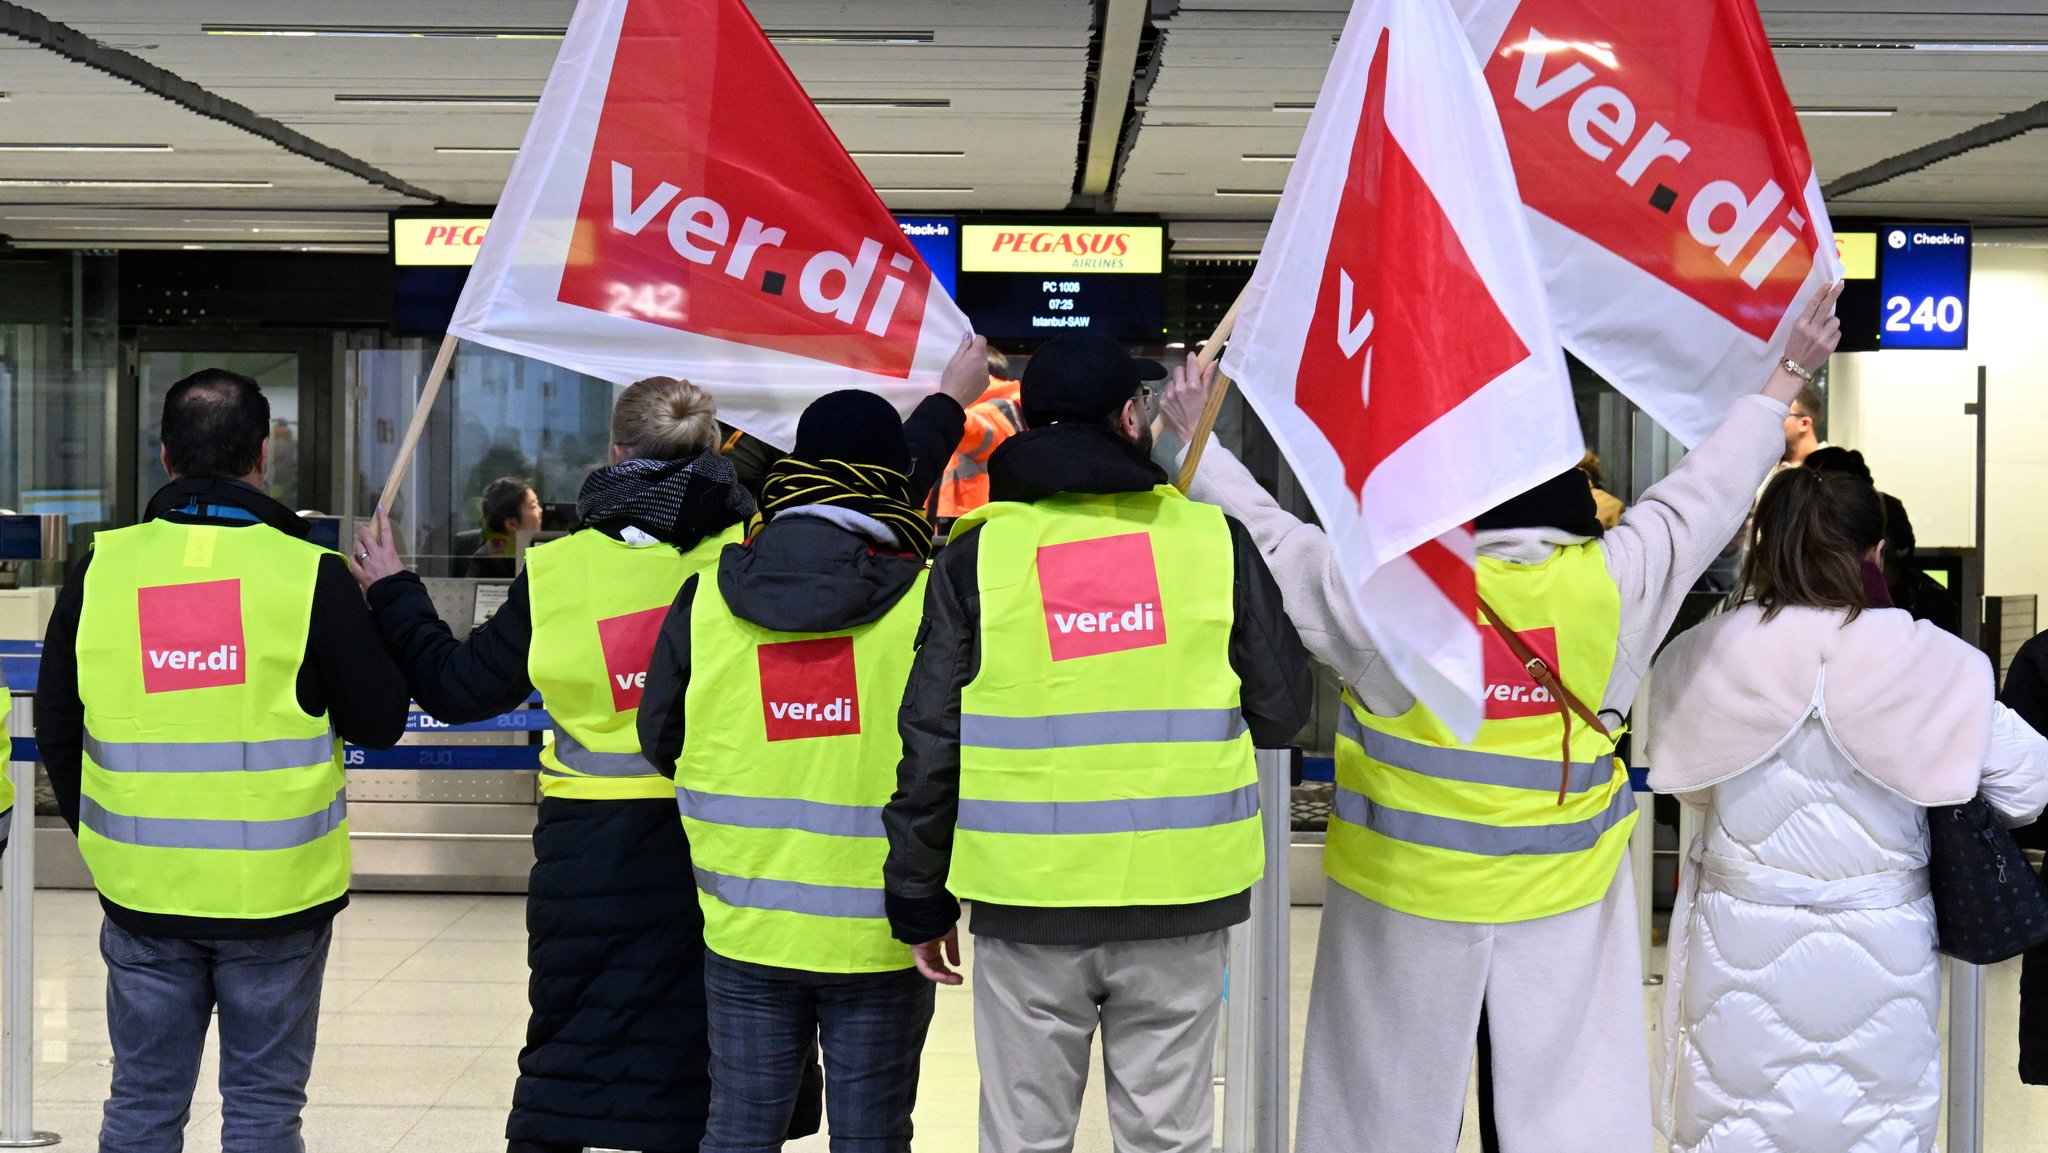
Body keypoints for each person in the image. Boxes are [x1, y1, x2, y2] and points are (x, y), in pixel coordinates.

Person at [1156, 283, 1844, 1153]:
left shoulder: (1395, 601)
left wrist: (1197, 443)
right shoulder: (1612, 586)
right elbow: (1700, 500)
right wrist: (1784, 377)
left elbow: (1274, 540)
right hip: (1561, 910)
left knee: (1392, 1115)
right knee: (1558, 1116)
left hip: (1405, 911)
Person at [352, 346, 984, 1153]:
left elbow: (457, 685)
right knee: (718, 1069)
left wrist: (396, 590)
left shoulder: (562, 571)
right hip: (722, 849)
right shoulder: (746, 556)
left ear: (614, 455)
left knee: (578, 1038)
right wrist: (944, 402)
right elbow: (863, 493)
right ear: (717, 453)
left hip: (592, 857)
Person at [884, 331, 1313, 1153]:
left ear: (1022, 424)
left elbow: (932, 736)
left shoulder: (978, 556)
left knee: (1024, 1135)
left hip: (1027, 898)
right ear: (1129, 417)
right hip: (1182, 895)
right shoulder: (1210, 541)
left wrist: (918, 893)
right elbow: (1284, 709)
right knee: (1168, 1133)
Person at [34, 368, 409, 1153]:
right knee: (265, 1110)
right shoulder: (310, 574)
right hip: (278, 896)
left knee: (140, 1102)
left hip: (142, 892)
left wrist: (106, 844)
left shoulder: (100, 568)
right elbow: (380, 719)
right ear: (263, 454)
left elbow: (59, 728)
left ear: (165, 455)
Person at [1646, 465, 2048, 1153]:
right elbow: (2029, 785)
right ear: (1877, 548)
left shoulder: (1705, 652)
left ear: (1763, 546)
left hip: (1741, 943)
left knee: (1738, 1122)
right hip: (1884, 946)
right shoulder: (1934, 661)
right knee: (1875, 1125)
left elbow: (1688, 782)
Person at [639, 391, 942, 1153]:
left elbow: (661, 737)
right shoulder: (931, 598)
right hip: (882, 929)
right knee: (872, 1134)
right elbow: (947, 756)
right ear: (899, 478)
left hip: (746, 915)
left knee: (740, 1127)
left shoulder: (709, 593)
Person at [934, 347, 1024, 519]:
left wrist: (942, 396)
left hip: (972, 518)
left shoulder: (990, 412)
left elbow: (968, 427)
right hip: (974, 516)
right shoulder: (1009, 409)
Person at [465, 476, 542, 578]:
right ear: (512, 524)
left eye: (538, 504)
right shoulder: (488, 561)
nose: (540, 511)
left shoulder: (542, 548)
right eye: (533, 507)